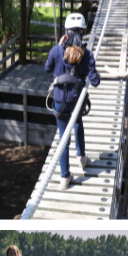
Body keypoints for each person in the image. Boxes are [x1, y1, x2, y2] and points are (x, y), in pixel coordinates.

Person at [44, 13, 100, 190]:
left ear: (66, 32)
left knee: (63, 139)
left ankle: (64, 177)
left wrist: (57, 52)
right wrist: (86, 74)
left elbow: (47, 69)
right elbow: (96, 81)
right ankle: (82, 157)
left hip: (60, 102)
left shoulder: (56, 51)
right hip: (76, 102)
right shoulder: (88, 55)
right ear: (83, 32)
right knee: (77, 123)